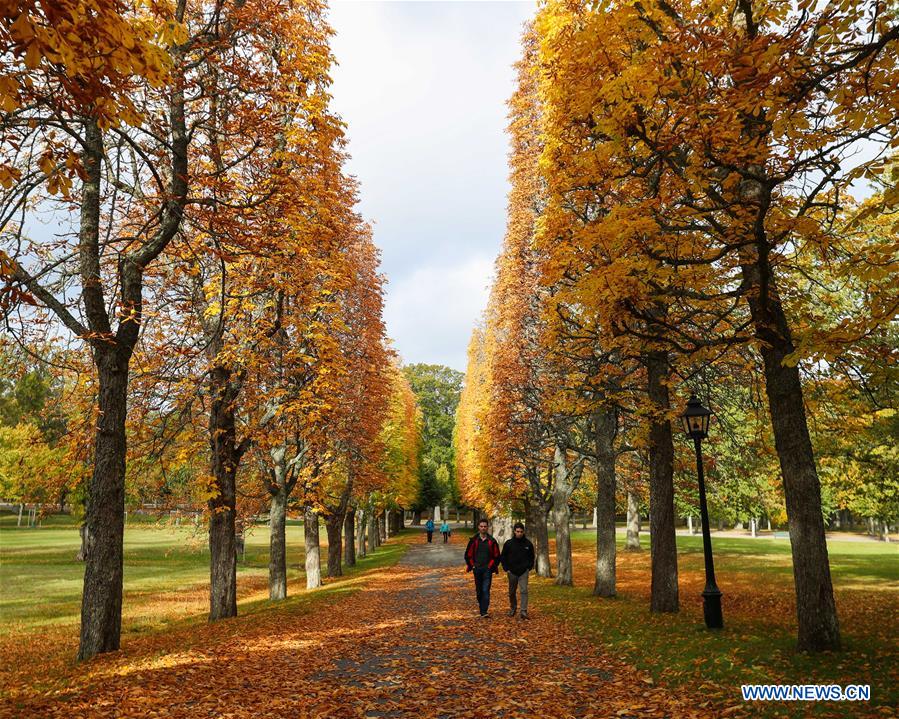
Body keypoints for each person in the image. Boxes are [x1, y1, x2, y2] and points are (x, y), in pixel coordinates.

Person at [464, 518, 500, 618]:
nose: (483, 528)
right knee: (479, 591)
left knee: (486, 590)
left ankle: (484, 611)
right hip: (477, 569)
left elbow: (497, 556)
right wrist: (473, 565)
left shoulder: (492, 541)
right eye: (481, 526)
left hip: (487, 570)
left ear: (487, 527)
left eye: (485, 526)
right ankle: (482, 607)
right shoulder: (473, 540)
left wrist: (491, 567)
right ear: (478, 527)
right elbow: (467, 555)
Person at [500, 521, 535, 619]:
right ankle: (513, 608)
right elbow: (503, 557)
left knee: (524, 590)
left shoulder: (528, 544)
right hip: (512, 572)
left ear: (523, 532)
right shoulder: (509, 543)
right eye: (517, 531)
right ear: (514, 532)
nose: (519, 533)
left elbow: (532, 557)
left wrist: (529, 567)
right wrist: (506, 568)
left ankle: (523, 611)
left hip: (524, 572)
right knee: (512, 592)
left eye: (521, 532)